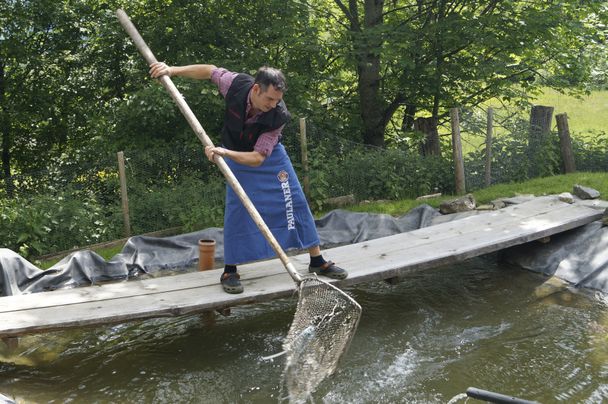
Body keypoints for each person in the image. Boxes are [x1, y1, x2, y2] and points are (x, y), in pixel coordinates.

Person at [149, 62, 348, 294]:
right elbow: (209, 71)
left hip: (268, 158)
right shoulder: (236, 84)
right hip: (235, 155)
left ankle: (317, 261)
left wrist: (223, 153)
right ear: (255, 90)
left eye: (277, 100)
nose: (273, 105)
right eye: (269, 99)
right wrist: (171, 70)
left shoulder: (278, 116)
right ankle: (230, 271)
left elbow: (257, 158)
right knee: (237, 210)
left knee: (295, 201)